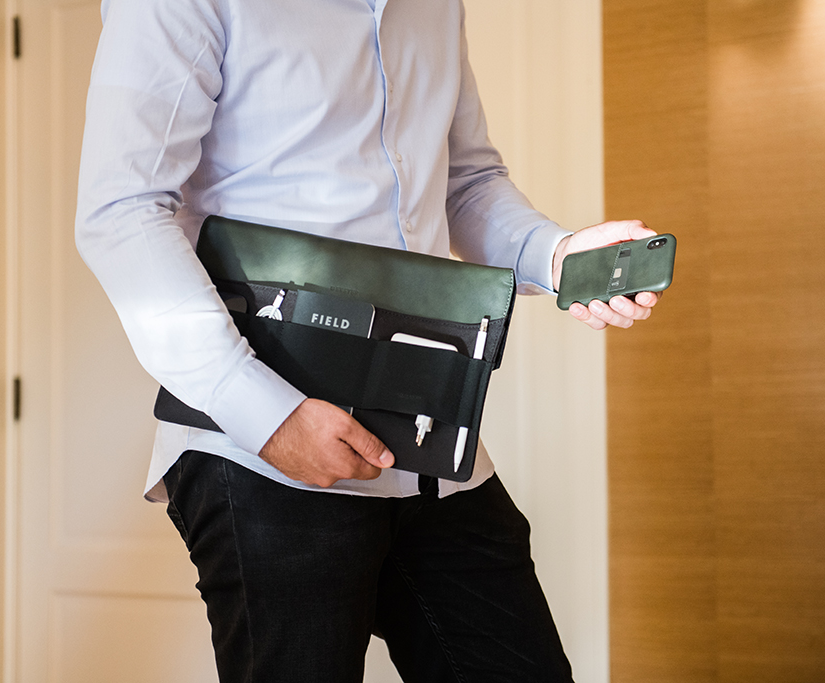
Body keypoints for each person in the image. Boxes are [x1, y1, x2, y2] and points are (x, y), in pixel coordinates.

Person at [75, 0, 659, 680]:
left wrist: (558, 257)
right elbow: (121, 212)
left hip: (428, 440)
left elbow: (466, 184)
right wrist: (266, 414)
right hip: (261, 449)